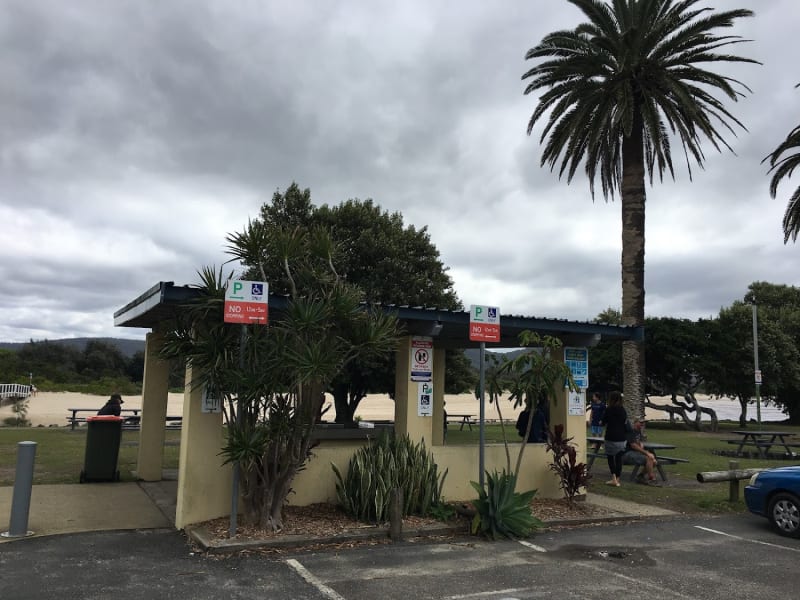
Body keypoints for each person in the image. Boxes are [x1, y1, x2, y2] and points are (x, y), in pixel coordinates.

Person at [600, 391, 627, 486]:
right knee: (619, 458)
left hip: (610, 436)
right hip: (621, 437)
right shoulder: (623, 410)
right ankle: (618, 479)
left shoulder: (609, 409)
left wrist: (601, 422)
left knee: (610, 458)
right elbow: (625, 422)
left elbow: (603, 422)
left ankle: (614, 478)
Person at [624, 419, 658, 484]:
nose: (643, 424)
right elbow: (633, 445)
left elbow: (636, 441)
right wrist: (647, 453)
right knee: (649, 458)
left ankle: (640, 476)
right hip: (626, 454)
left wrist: (640, 443)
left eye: (644, 423)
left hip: (634, 452)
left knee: (654, 460)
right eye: (641, 422)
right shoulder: (631, 431)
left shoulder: (638, 431)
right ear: (635, 422)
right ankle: (652, 479)